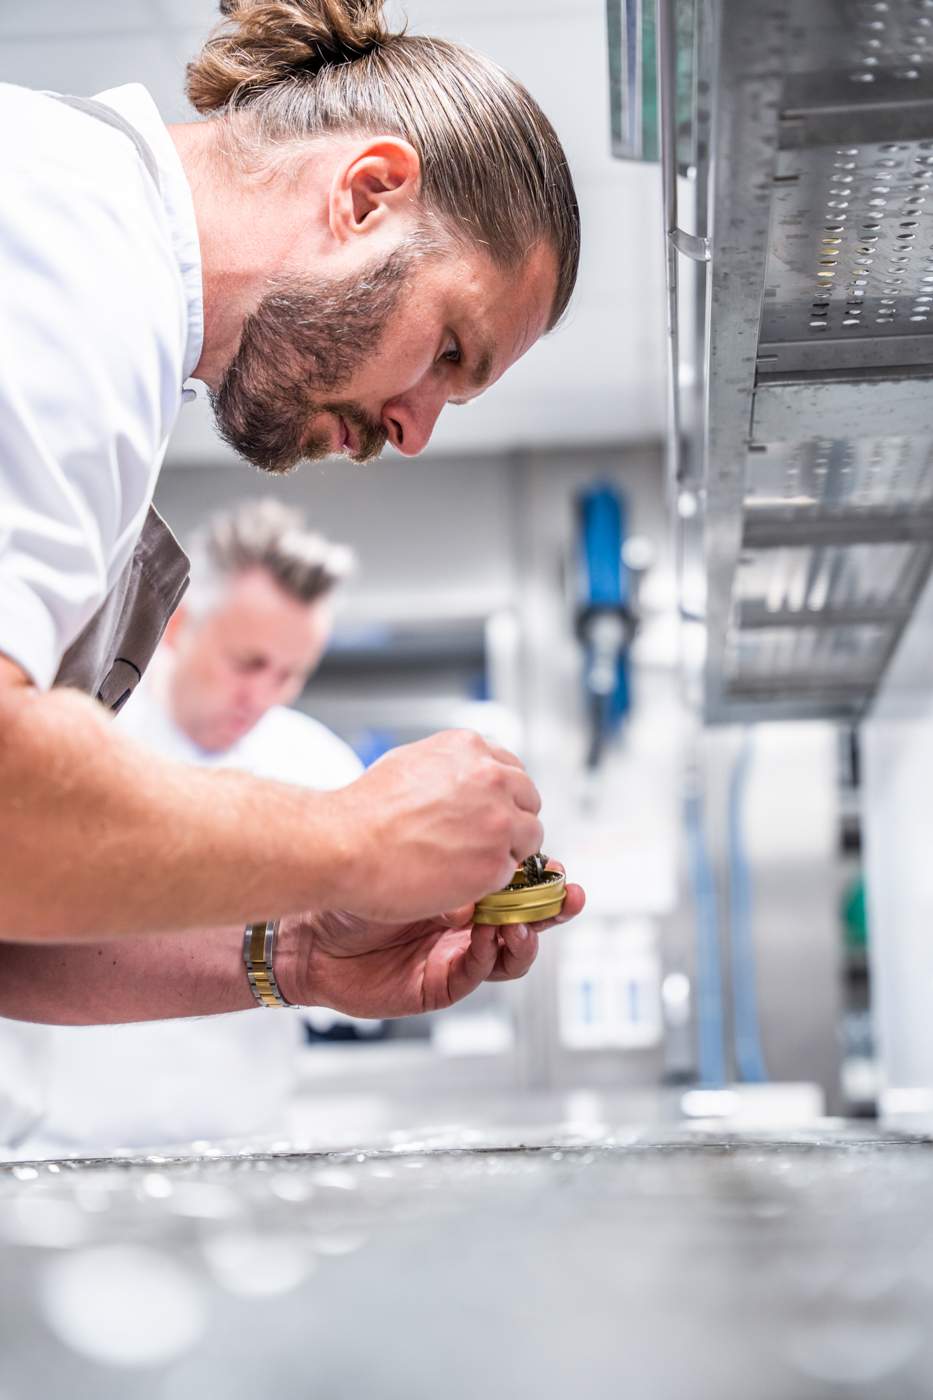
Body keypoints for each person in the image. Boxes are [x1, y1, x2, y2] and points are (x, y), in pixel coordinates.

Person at [0, 0, 584, 1035]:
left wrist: (300, 953)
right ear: (367, 194)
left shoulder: (104, 288)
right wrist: (359, 836)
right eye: (449, 350)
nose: (413, 432)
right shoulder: (62, 251)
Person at [1, 500, 367, 1149]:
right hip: (59, 1148)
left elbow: (357, 980)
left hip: (246, 1150)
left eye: (290, 674)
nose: (263, 695)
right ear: (178, 627)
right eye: (247, 662)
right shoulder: (87, 729)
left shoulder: (322, 771)